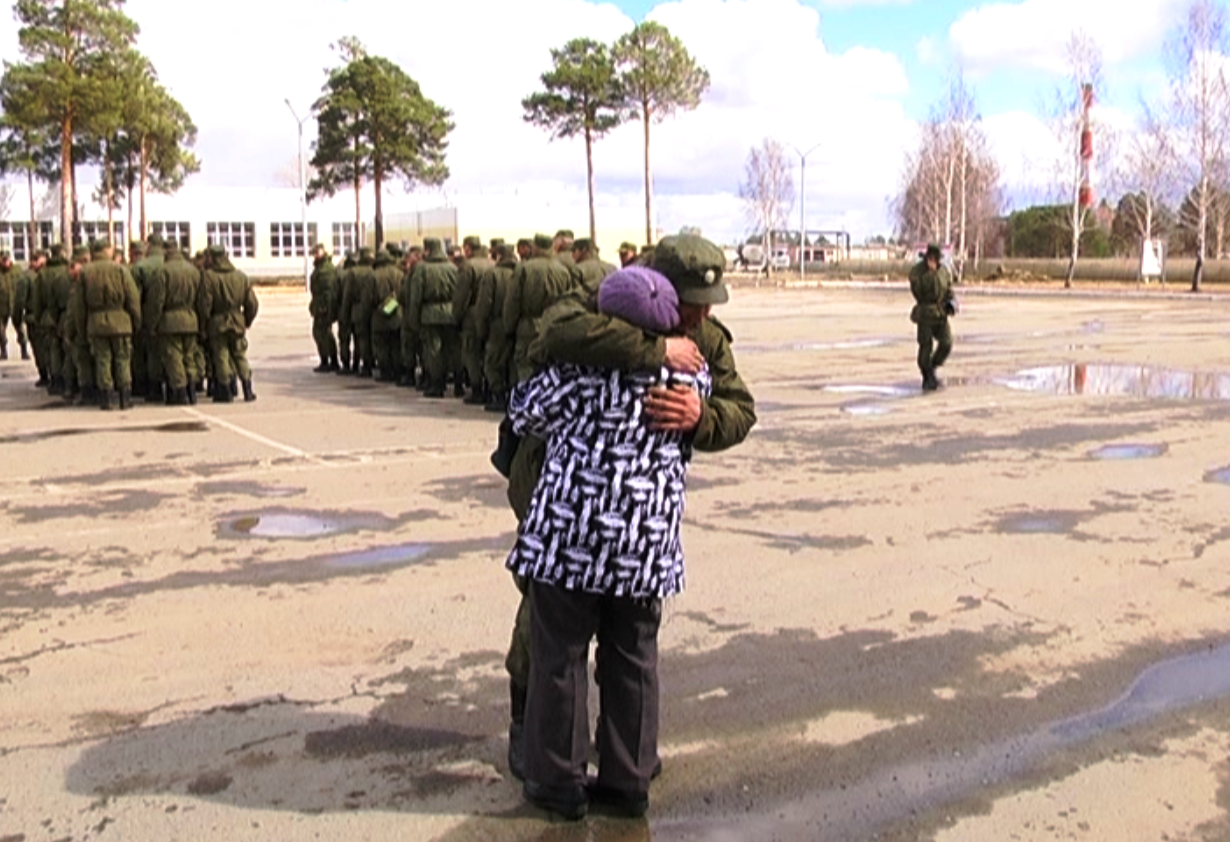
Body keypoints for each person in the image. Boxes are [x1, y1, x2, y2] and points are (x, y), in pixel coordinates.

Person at [499, 234, 757, 801]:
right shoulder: (596, 303)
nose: (703, 313)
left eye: (708, 301)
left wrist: (700, 417)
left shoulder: (703, 339)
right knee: (614, 650)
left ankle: (558, 772)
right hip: (628, 530)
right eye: (692, 300)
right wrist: (655, 354)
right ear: (659, 283)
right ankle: (605, 763)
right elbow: (555, 332)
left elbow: (740, 409)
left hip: (569, 520)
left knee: (562, 647)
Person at [74, 239, 141, 411]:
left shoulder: (86, 272)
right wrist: (135, 321)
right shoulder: (121, 270)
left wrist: (82, 330)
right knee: (122, 358)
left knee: (102, 359)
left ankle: (106, 398)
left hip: (96, 322)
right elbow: (133, 299)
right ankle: (125, 397)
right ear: (107, 250)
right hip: (121, 321)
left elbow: (79, 306)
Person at [503, 233, 576, 385]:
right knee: (549, 366)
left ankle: (527, 399)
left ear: (535, 247)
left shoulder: (523, 269)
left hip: (528, 325)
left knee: (525, 365)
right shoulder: (562, 271)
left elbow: (513, 300)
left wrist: (509, 326)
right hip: (554, 324)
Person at [197, 244, 259, 402]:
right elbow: (252, 303)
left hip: (218, 323)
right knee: (240, 355)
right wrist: (246, 320)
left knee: (221, 356)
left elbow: (205, 304)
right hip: (237, 320)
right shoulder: (241, 276)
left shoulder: (209, 277)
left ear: (212, 258)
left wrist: (203, 325)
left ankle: (225, 392)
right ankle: (248, 389)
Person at [145, 242, 202, 405]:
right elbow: (201, 298)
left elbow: (157, 302)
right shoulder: (193, 271)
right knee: (189, 356)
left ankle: (180, 393)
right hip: (191, 319)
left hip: (170, 321)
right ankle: (192, 391)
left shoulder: (163, 272)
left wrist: (152, 324)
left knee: (174, 357)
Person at [408, 237, 461, 398]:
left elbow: (415, 296)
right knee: (452, 349)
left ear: (428, 250)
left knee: (433, 350)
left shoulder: (422, 269)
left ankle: (437, 384)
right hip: (451, 312)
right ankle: (458, 383)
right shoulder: (452, 268)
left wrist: (414, 319)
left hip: (430, 314)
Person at [475, 242, 519, 412]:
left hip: (497, 324)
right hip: (518, 323)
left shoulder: (492, 275)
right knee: (513, 362)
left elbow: (485, 304)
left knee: (493, 362)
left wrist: (481, 328)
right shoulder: (520, 271)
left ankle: (498, 396)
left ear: (498, 255)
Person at [453, 235, 494, 404]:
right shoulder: (492, 263)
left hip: (471, 313)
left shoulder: (468, 267)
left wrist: (457, 315)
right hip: (490, 313)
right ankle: (490, 386)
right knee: (487, 352)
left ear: (468, 248)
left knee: (471, 352)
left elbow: (461, 295)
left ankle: (477, 389)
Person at [908, 244, 954, 391]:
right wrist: (929, 274)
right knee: (925, 347)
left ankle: (933, 365)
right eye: (932, 259)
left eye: (937, 259)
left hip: (941, 314)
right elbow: (917, 291)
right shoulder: (918, 272)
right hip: (925, 314)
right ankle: (927, 375)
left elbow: (948, 289)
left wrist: (951, 303)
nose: (935, 262)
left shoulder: (943, 272)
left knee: (947, 343)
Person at [367, 247, 404, 382]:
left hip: (379, 315)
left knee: (382, 345)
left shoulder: (373, 275)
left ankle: (385, 372)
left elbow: (369, 298)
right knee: (396, 344)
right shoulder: (399, 274)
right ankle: (398, 371)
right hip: (397, 313)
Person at [309, 243, 340, 373]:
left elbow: (328, 291)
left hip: (323, 307)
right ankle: (326, 360)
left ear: (322, 252)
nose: (315, 255)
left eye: (317, 253)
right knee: (320, 333)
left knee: (324, 334)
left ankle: (330, 360)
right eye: (314, 253)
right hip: (319, 305)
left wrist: (326, 307)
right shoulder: (320, 268)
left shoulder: (325, 270)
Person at [336, 251, 357, 374]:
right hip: (358, 310)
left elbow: (336, 294)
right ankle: (357, 363)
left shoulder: (341, 275)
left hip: (344, 310)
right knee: (359, 339)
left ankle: (346, 364)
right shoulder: (366, 273)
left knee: (344, 339)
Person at [0, 250, 15, 360]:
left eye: (7, 260)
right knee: (1, 331)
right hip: (1, 307)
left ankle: (24, 348)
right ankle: (3, 349)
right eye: (3, 260)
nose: (6, 262)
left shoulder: (14, 272)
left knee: (20, 329)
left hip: (13, 305)